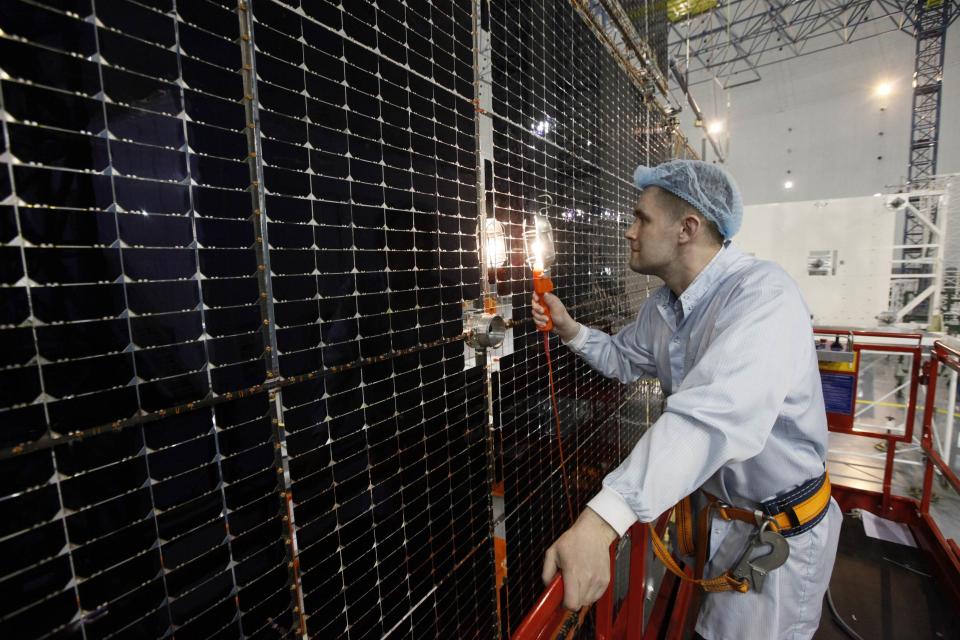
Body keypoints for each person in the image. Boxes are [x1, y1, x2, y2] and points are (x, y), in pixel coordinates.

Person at [532, 160, 841, 639]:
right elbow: (621, 357)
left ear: (687, 228)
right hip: (720, 523)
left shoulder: (762, 295)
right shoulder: (663, 307)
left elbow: (710, 417)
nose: (630, 232)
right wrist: (570, 328)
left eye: (642, 219)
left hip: (777, 539)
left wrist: (601, 522)